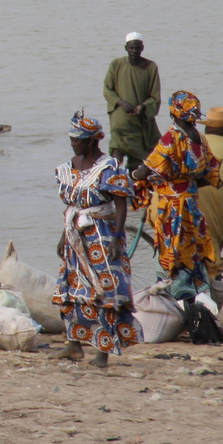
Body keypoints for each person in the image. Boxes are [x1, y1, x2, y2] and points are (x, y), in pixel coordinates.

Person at [53, 111, 138, 367]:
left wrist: (116, 238)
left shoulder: (109, 167)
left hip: (100, 236)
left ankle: (103, 351)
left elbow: (121, 205)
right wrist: (63, 237)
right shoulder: (70, 166)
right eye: (71, 138)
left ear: (90, 141)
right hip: (75, 236)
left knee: (105, 291)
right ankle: (74, 344)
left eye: (76, 139)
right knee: (72, 287)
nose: (72, 143)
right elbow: (71, 207)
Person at [132, 91, 223, 301]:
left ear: (174, 112)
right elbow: (210, 174)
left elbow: (145, 170)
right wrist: (186, 183)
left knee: (171, 254)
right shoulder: (198, 138)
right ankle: (198, 298)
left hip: (172, 208)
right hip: (192, 204)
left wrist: (133, 175)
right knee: (193, 252)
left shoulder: (171, 138)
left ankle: (175, 301)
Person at [103, 32, 161, 167]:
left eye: (137, 48)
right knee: (117, 151)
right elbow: (107, 89)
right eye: (131, 48)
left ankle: (134, 184)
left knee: (138, 161)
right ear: (126, 48)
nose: (134, 51)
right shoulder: (116, 64)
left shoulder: (150, 67)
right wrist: (121, 102)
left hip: (140, 122)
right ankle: (112, 180)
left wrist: (143, 107)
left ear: (142, 48)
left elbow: (155, 97)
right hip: (120, 121)